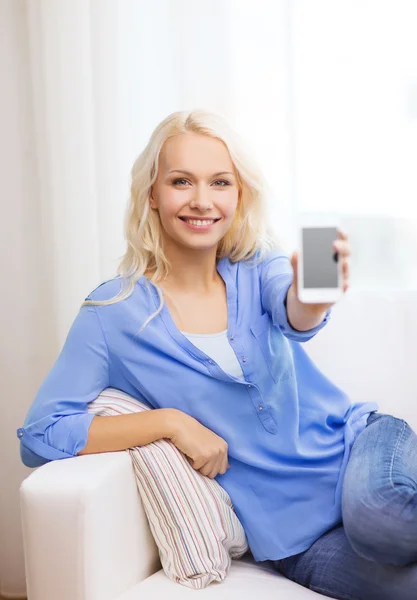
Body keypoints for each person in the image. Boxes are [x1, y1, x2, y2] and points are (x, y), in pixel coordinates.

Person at [17, 109, 417, 599]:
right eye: (182, 181)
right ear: (153, 196)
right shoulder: (111, 314)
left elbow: (294, 312)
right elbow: (39, 435)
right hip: (297, 539)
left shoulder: (257, 264)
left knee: (380, 520)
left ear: (238, 196)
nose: (202, 201)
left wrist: (312, 300)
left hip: (363, 452)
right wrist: (169, 422)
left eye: (220, 183)